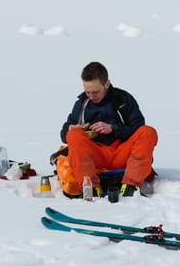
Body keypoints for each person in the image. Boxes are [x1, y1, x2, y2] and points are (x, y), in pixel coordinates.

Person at [59, 61, 158, 197]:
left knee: (149, 132)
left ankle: (131, 185)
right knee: (73, 134)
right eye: (87, 92)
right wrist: (71, 130)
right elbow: (64, 135)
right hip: (95, 156)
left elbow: (138, 127)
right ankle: (90, 187)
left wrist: (113, 128)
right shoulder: (81, 104)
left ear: (107, 83)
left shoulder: (123, 99)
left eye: (95, 92)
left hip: (121, 152)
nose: (91, 96)